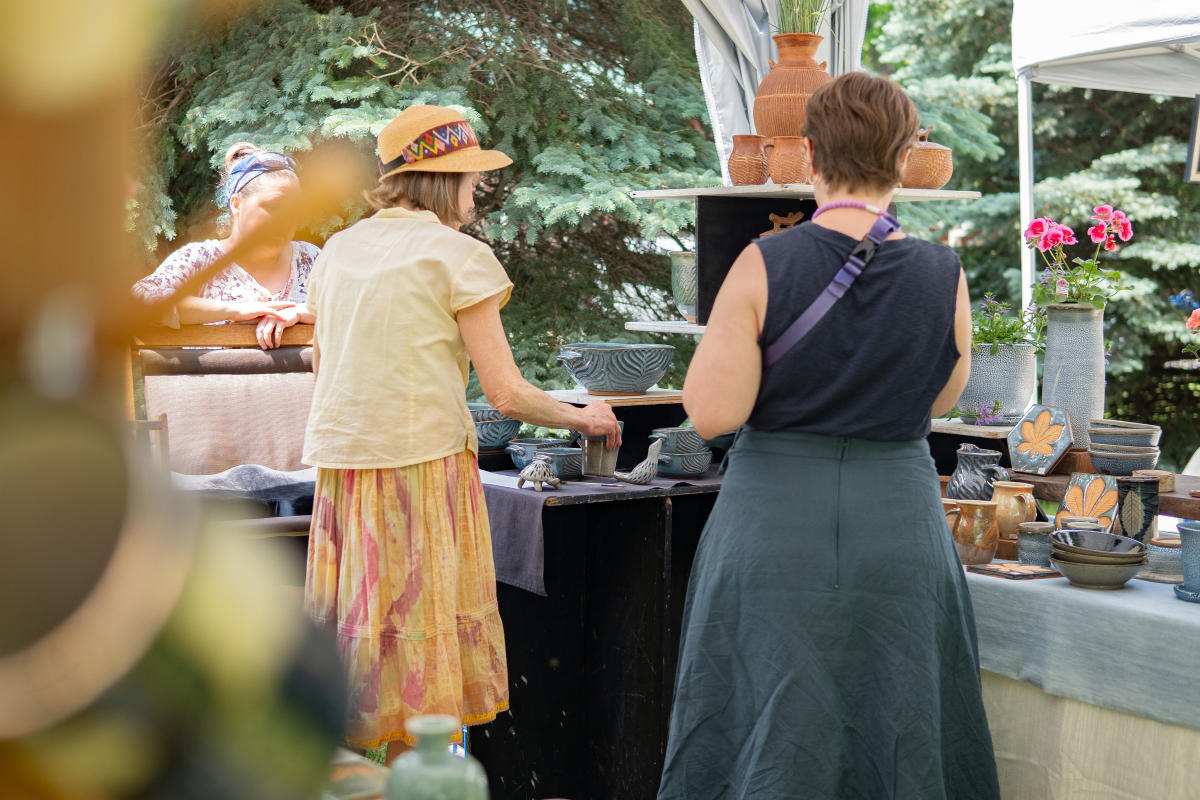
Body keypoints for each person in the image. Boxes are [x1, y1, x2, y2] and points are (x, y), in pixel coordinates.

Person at [657, 73, 1000, 799]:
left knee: (763, 721)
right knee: (899, 721)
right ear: (906, 159)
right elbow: (940, 395)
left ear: (808, 153)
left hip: (775, 523)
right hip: (898, 525)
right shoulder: (946, 274)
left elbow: (713, 414)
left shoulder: (763, 262)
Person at [301, 105, 621, 760]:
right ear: (444, 179)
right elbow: (504, 392)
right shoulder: (456, 255)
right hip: (421, 462)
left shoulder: (338, 251)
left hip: (344, 465)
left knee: (362, 631)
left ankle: (360, 779)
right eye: (471, 175)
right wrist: (585, 416)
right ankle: (424, 781)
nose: (478, 188)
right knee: (420, 629)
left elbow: (321, 361)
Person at [132, 142, 318, 349]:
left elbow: (355, 306)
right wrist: (234, 310)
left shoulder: (311, 260)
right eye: (273, 207)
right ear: (236, 204)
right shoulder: (200, 259)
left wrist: (302, 311)